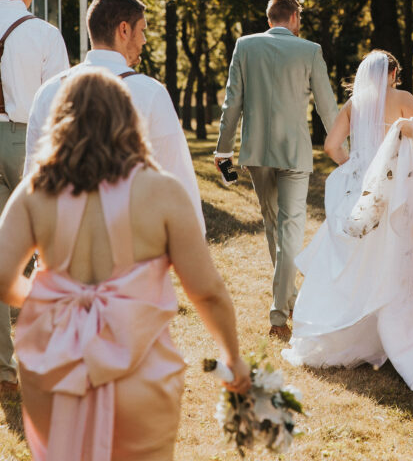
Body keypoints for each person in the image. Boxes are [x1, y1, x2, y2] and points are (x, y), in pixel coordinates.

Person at [0, 68, 250, 460]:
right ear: (128, 120)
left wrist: (50, 297)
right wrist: (233, 358)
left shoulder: (36, 190)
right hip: (141, 373)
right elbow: (208, 291)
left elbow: (1, 276)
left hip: (55, 370)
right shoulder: (162, 190)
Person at [283, 50, 413, 390]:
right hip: (396, 187)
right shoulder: (403, 98)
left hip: (361, 189)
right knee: (393, 257)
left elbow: (332, 146)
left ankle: (354, 330)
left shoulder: (353, 104)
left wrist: (355, 165)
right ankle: (395, 334)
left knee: (359, 262)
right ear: (392, 73)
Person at [25, 0, 205, 233]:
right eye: (142, 30)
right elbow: (176, 175)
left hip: (61, 241)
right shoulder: (150, 92)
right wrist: (193, 238)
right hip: (128, 244)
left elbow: (33, 176)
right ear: (124, 30)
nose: (144, 40)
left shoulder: (47, 92)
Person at [215, 0, 338, 339]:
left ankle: (285, 303)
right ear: (295, 18)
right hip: (295, 152)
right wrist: (345, 147)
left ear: (269, 18)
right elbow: (327, 107)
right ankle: (281, 313)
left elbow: (232, 102)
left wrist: (223, 151)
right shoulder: (309, 50)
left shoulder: (245, 46)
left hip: (257, 152)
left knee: (274, 226)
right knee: (290, 230)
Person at [0, 0, 69, 394]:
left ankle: (2, 369)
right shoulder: (45, 34)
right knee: (38, 248)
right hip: (27, 140)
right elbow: (61, 104)